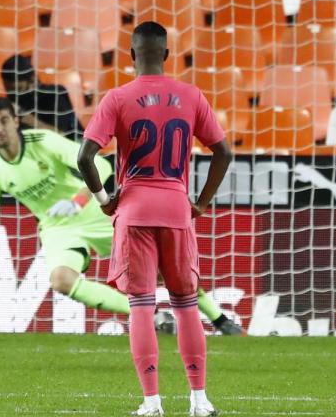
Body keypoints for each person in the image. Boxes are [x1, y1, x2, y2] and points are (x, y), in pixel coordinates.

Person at [0, 98, 239, 334]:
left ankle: (220, 320)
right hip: (56, 228)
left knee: (165, 269)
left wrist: (79, 198)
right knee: (61, 280)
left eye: (4, 121)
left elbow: (102, 165)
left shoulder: (43, 142)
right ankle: (145, 313)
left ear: (15, 121)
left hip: (91, 212)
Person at [77, 21, 234, 417]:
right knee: (185, 305)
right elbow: (224, 153)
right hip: (177, 210)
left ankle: (152, 403)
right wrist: (199, 202)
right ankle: (200, 400)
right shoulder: (191, 95)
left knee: (142, 306)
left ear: (132, 56)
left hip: (134, 209)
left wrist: (102, 200)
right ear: (166, 55)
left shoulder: (117, 97)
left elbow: (84, 157)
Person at [1, 54, 82, 141]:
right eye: (8, 90)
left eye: (18, 89)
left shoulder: (53, 95)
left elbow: (59, 136)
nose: (12, 94)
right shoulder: (12, 100)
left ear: (32, 80)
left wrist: (23, 115)